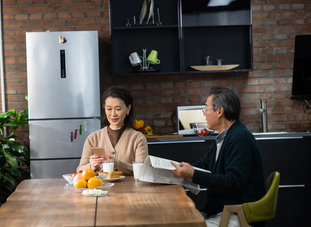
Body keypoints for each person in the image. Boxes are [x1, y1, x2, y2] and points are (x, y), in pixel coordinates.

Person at [171, 86, 266, 227]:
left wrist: (193, 174)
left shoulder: (240, 138)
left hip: (238, 214)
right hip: (219, 211)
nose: (204, 114)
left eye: (206, 109)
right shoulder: (223, 138)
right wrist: (171, 172)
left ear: (219, 111)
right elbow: (202, 165)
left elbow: (234, 182)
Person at [77, 87, 148, 175]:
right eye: (109, 109)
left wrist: (119, 165)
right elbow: (80, 169)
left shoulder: (138, 138)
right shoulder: (93, 138)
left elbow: (143, 170)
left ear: (128, 109)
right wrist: (91, 166)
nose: (113, 114)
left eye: (118, 109)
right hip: (100, 188)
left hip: (129, 189)